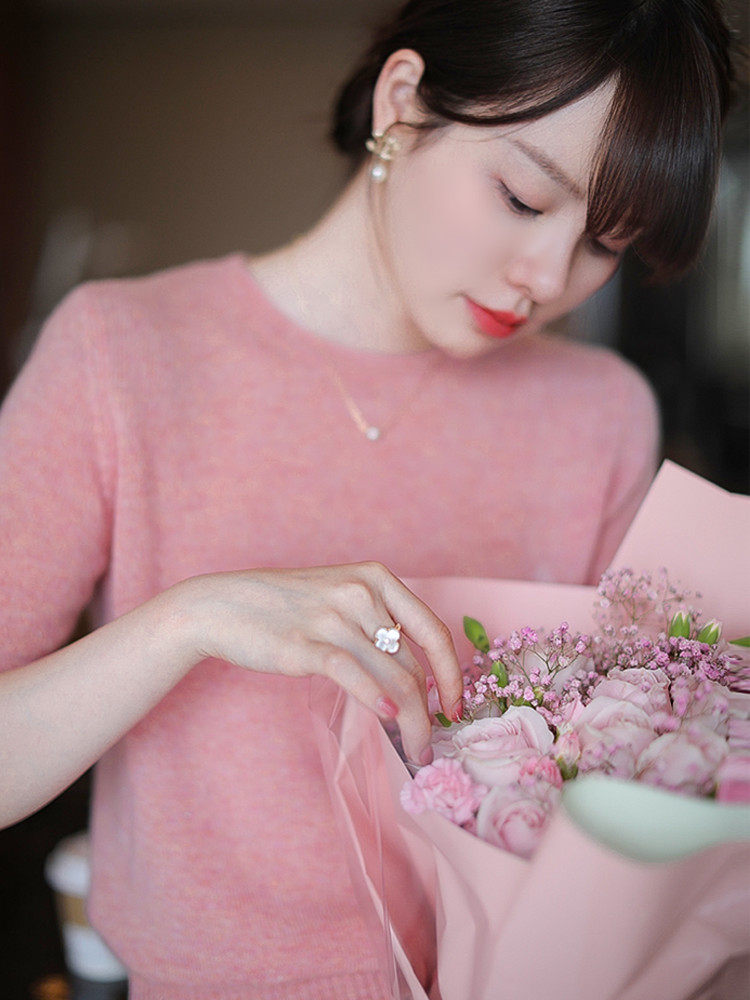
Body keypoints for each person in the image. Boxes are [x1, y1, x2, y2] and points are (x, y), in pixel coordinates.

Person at [0, 1, 735, 997]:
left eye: (608, 242)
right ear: (402, 103)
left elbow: (617, 790)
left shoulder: (601, 414)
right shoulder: (121, 354)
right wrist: (188, 620)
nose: (547, 277)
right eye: (523, 198)